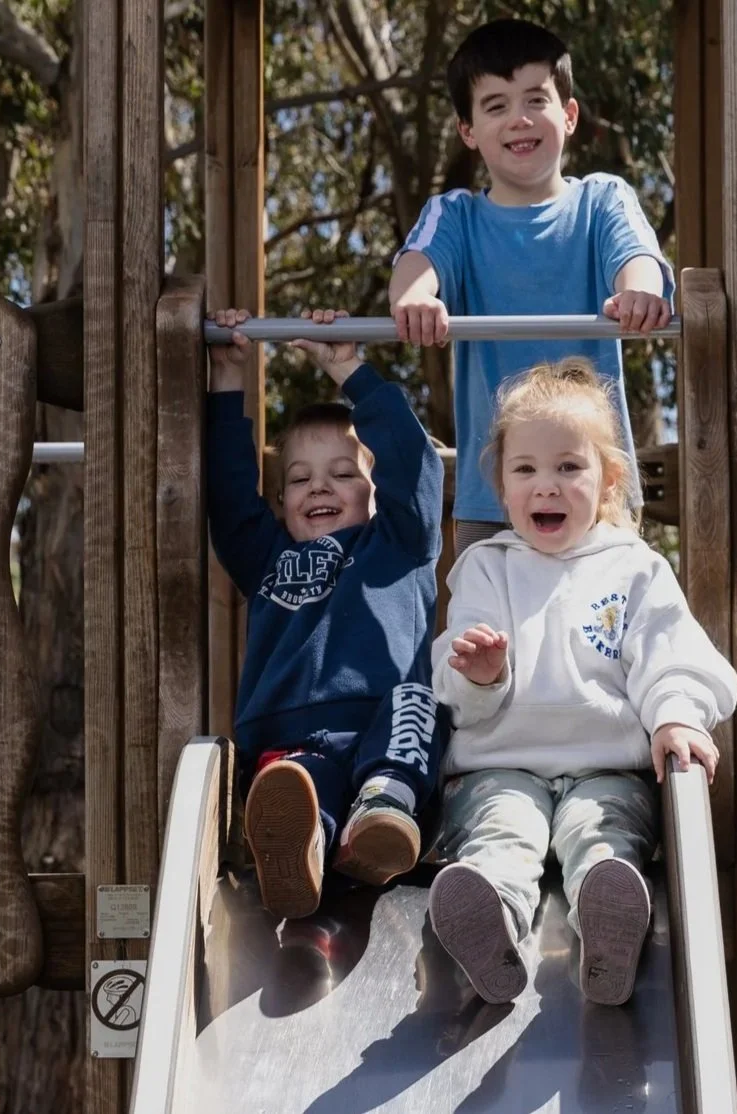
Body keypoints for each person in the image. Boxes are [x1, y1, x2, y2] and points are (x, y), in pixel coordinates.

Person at [428, 359, 737, 1006]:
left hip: (607, 770)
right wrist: (482, 675)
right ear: (501, 487)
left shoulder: (633, 568)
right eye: (526, 470)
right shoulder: (486, 568)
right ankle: (493, 928)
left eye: (568, 467)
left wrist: (676, 714)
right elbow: (455, 682)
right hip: (501, 766)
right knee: (500, 834)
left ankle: (607, 926)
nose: (547, 485)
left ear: (607, 481)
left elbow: (670, 652)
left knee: (602, 833)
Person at [390, 17, 674, 555]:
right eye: (496, 106)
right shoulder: (455, 214)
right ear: (468, 130)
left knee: (604, 629)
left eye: (535, 100)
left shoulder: (600, 199)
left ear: (568, 115)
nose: (518, 119)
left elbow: (637, 257)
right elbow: (417, 265)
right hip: (492, 498)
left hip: (595, 490)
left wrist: (639, 291)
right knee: (491, 629)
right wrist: (415, 299)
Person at [206, 307, 448, 919]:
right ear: (281, 498)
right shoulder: (269, 559)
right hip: (291, 739)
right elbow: (231, 500)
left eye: (343, 474)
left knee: (415, 706)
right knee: (300, 792)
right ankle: (306, 849)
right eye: (299, 479)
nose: (319, 488)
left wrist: (351, 371)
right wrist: (228, 375)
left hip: (381, 723)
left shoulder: (397, 543)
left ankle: (383, 816)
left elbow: (417, 469)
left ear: (373, 491)